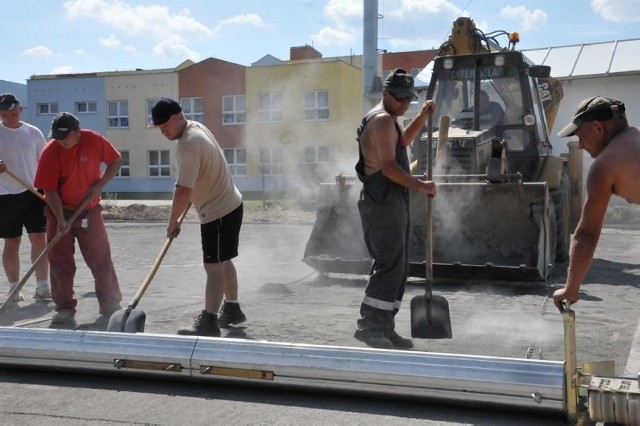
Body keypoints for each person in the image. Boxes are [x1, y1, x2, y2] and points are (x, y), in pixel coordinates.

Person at [354, 68, 437, 349]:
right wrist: (422, 186)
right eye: (399, 99)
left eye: (408, 100)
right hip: (382, 203)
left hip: (391, 202)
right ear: (385, 94)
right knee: (389, 265)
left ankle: (385, 325)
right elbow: (389, 167)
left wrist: (422, 117)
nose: (404, 104)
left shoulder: (391, 120)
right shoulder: (381, 122)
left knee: (399, 267)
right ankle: (370, 326)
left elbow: (404, 143)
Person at [148, 98, 245, 337]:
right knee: (223, 261)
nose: (163, 132)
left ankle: (209, 322)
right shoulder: (196, 127)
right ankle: (232, 309)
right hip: (232, 204)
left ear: (179, 117)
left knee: (213, 266)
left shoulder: (187, 145)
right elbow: (198, 177)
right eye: (159, 128)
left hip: (217, 211)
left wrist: (172, 222)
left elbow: (183, 190)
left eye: (165, 126)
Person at [34, 112, 123, 326]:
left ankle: (110, 304)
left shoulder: (94, 140)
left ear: (77, 132)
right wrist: (60, 219)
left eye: (65, 137)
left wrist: (100, 185)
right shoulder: (51, 151)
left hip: (89, 211)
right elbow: (50, 190)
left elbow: (116, 160)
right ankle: (64, 308)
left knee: (101, 258)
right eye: (57, 137)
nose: (61, 141)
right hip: (60, 211)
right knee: (60, 262)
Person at [552, 96, 640, 311]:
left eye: (581, 137)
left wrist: (570, 288)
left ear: (598, 127)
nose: (580, 145)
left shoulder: (605, 165)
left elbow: (587, 234)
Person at [0, 93, 50, 302]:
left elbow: (45, 161)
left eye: (12, 113)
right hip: (5, 195)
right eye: (4, 114)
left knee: (39, 239)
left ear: (20, 109)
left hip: (34, 193)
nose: (9, 117)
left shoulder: (33, 132)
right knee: (12, 241)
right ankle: (14, 288)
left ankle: (42, 287)